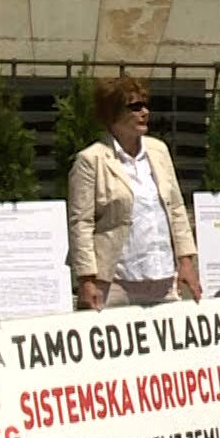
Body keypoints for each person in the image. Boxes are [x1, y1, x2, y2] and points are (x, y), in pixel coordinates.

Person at [67, 75, 202, 309]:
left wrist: (186, 261)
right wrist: (86, 280)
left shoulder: (159, 150)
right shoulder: (91, 160)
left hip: (163, 276)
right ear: (113, 114)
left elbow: (176, 208)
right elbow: (81, 223)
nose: (144, 112)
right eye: (135, 107)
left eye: (146, 105)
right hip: (114, 282)